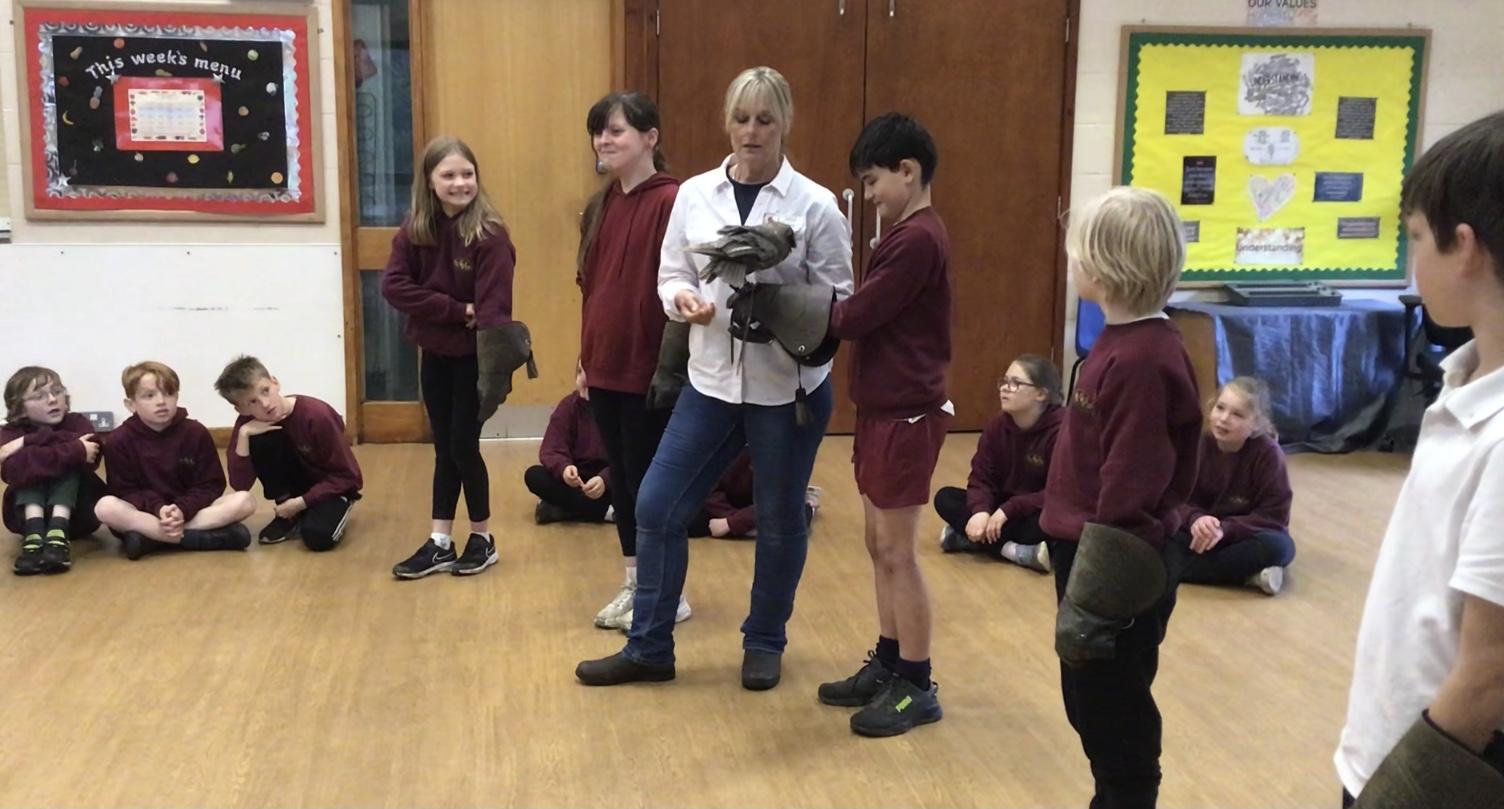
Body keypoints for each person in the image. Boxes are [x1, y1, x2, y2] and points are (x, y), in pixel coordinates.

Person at [574, 66, 853, 691]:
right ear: (727, 123)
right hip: (709, 384)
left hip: (788, 390)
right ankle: (649, 648)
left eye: (765, 120)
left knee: (779, 518)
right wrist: (682, 301)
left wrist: (778, 298)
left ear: (784, 124)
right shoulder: (696, 194)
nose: (751, 132)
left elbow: (841, 298)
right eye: (741, 119)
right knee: (655, 504)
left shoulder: (815, 204)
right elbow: (672, 273)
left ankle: (764, 641)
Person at [1335, 111, 1504, 808]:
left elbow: (1491, 670)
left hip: (1430, 775)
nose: (1412, 260)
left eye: (1414, 238)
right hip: (1389, 749)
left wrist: (1399, 791)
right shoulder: (1465, 383)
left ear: (1463, 247)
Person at [1038, 187, 1202, 808]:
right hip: (1086, 553)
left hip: (1115, 566)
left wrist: (1095, 596)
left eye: (1078, 253)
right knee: (1087, 703)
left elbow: (1133, 481)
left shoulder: (1142, 360)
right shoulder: (1121, 341)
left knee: (1113, 712)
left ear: (1104, 269)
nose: (1072, 263)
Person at [814, 112, 953, 737]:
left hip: (907, 414)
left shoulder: (918, 238)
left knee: (899, 551)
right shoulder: (902, 234)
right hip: (881, 411)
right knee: (878, 545)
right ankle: (891, 660)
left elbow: (856, 316)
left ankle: (917, 685)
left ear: (908, 171)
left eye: (872, 181)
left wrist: (792, 297)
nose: (868, 194)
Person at [382, 136, 516, 579]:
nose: (460, 183)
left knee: (463, 446)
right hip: (436, 354)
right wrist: (456, 310)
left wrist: (457, 315)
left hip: (476, 360)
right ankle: (440, 541)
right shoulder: (415, 230)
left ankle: (482, 538)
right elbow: (394, 286)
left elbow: (493, 311)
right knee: (444, 447)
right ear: (430, 181)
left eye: (467, 174)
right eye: (449, 175)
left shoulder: (490, 235)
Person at [575, 91, 683, 627]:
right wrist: (584, 360)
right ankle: (636, 583)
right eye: (599, 132)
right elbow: (591, 289)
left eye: (616, 130)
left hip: (649, 371)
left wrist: (669, 367)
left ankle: (667, 593)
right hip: (605, 366)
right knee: (621, 479)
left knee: (648, 486)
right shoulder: (603, 204)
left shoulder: (673, 201)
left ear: (650, 138)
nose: (604, 140)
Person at [94, 361, 257, 560]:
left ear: (177, 396)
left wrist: (182, 510)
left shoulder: (195, 432)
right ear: (130, 404)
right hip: (146, 514)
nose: (161, 401)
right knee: (105, 507)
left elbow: (210, 485)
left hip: (191, 512)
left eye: (169, 393)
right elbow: (125, 491)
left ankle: (153, 539)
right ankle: (197, 537)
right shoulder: (118, 440)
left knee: (245, 501)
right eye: (149, 396)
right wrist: (158, 508)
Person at [215, 355, 363, 552]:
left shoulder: (316, 415)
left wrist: (302, 502)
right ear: (240, 409)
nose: (265, 404)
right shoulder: (247, 424)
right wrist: (243, 436)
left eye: (265, 391)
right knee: (261, 437)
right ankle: (288, 514)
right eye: (252, 402)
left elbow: (349, 476)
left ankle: (323, 507)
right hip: (293, 490)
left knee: (318, 537)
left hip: (331, 487)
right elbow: (240, 485)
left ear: (275, 383)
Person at [933, 354, 1064, 573]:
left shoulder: (1062, 431)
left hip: (1035, 509)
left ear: (1041, 394)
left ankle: (969, 539)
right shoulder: (997, 426)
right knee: (945, 498)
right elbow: (981, 477)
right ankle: (1013, 551)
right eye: (1004, 381)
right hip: (1002, 506)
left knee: (1050, 526)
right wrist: (980, 511)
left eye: (1016, 383)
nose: (1004, 388)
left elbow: (1058, 492)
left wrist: (1007, 511)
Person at [1172, 377, 1295, 596]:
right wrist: (1195, 519)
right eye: (1220, 408)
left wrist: (1224, 529)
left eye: (1237, 415)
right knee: (1156, 532)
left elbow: (1274, 516)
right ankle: (1248, 576)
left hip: (1239, 535)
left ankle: (1175, 569)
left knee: (1280, 547)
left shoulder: (1268, 455)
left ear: (1256, 425)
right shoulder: (1196, 444)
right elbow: (1174, 498)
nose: (1224, 419)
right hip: (1196, 533)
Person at [1, 367, 104, 574]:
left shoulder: (77, 422)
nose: (52, 399)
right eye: (39, 396)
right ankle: (34, 532)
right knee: (30, 468)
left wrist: (26, 442)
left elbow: (91, 453)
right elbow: (12, 470)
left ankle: (58, 530)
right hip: (22, 518)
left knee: (62, 464)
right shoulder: (9, 432)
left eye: (57, 391)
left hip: (78, 516)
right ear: (20, 409)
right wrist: (73, 448)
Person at [527, 363, 613, 526]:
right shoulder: (569, 406)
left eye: (591, 372)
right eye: (580, 372)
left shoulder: (616, 409)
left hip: (608, 481)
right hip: (576, 481)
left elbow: (628, 457)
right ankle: (606, 512)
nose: (584, 379)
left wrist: (605, 479)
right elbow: (551, 449)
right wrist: (564, 469)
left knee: (635, 484)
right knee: (534, 475)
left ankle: (562, 509)